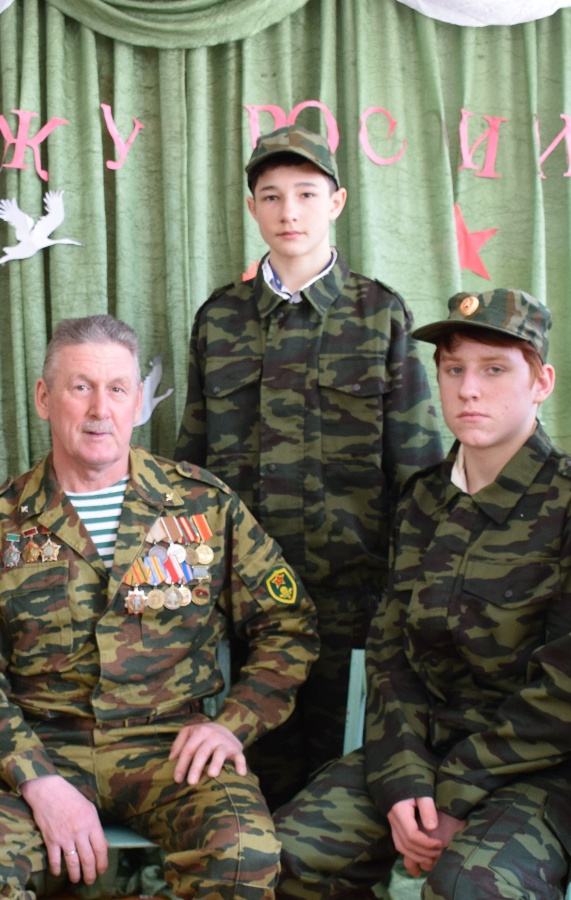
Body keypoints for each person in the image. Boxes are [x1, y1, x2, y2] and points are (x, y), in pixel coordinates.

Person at [0, 315, 319, 900]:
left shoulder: (204, 506)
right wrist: (36, 779)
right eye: (80, 387)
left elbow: (288, 625)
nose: (99, 409)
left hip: (172, 744)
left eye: (117, 389)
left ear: (139, 403)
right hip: (40, 744)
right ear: (44, 398)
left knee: (244, 857)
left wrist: (233, 723)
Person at [275, 290, 571, 898]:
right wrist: (404, 780)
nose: (468, 390)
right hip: (422, 753)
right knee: (274, 861)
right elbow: (391, 657)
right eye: (453, 369)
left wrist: (455, 794)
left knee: (468, 887)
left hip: (546, 771)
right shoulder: (422, 499)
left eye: (495, 369)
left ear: (541, 383)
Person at [175, 122, 444, 807]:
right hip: (243, 603)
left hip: (350, 603)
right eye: (271, 196)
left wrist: (405, 595)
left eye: (305, 194)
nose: (288, 211)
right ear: (252, 208)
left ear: (337, 202)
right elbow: (191, 470)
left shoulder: (380, 314)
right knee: (249, 786)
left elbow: (417, 470)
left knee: (340, 788)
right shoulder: (220, 319)